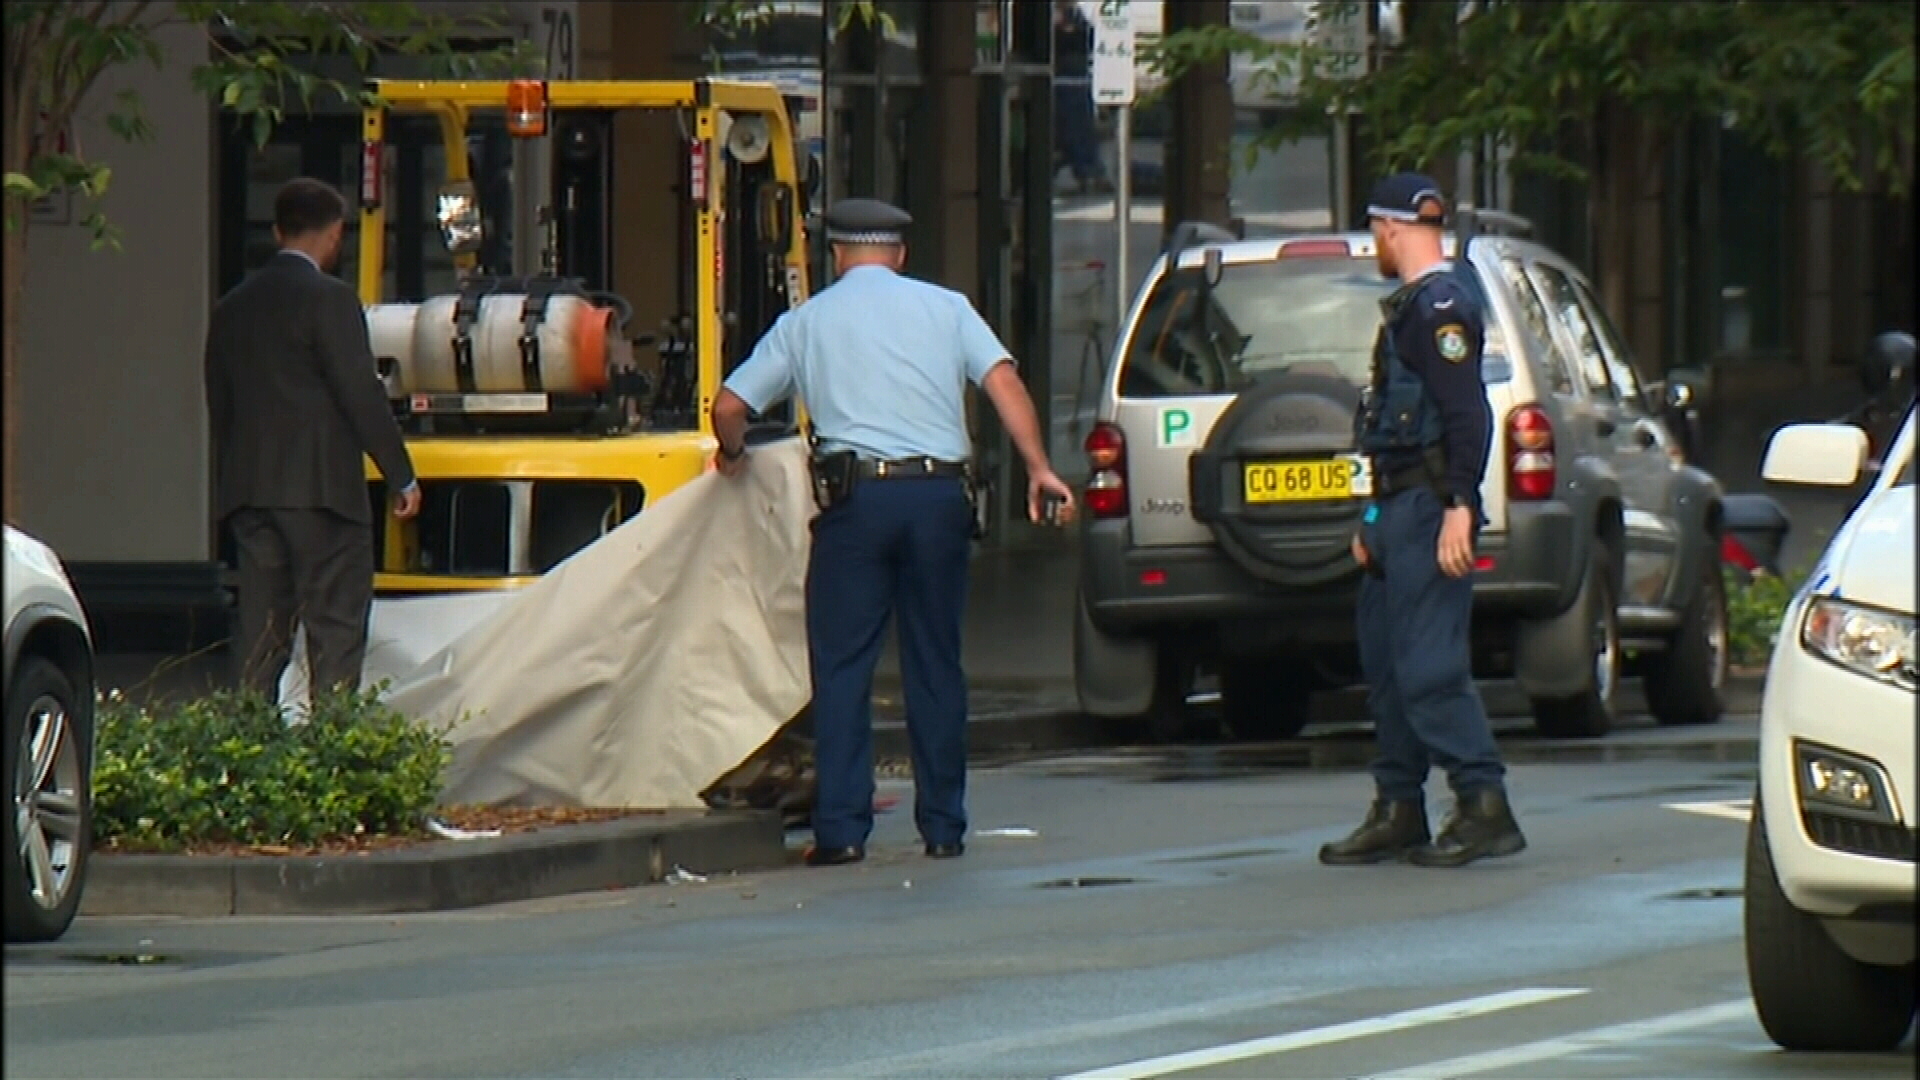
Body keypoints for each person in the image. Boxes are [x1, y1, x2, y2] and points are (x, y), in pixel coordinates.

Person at [710, 198, 1076, 867]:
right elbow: (1003, 382)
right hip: (939, 500)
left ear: (838, 255)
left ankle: (842, 831)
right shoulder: (949, 308)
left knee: (844, 666)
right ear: (900, 255)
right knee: (935, 660)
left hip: (857, 506)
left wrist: (733, 455)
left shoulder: (806, 321)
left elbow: (730, 406)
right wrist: (1039, 468)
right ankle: (943, 826)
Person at [1319, 173, 1526, 870]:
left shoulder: (1440, 308)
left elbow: (1468, 415)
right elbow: (1397, 427)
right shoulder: (1414, 305)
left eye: (1374, 232)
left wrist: (1459, 507)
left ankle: (1484, 804)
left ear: (1389, 228)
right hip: (1396, 509)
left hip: (1430, 509)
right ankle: (1399, 806)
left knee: (1428, 667)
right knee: (1386, 663)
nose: (1374, 244)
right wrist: (1372, 518)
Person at [204, 177, 421, 701]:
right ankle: (331, 741)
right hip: (323, 492)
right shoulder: (332, 299)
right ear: (335, 233)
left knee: (261, 634)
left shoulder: (231, 306)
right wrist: (400, 474)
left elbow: (220, 401)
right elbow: (359, 392)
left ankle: (249, 741)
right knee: (335, 627)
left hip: (251, 491)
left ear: (278, 231)